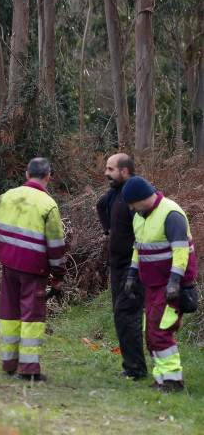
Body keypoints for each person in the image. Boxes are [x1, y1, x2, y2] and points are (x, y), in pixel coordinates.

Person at [0, 158, 66, 381]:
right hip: (34, 271)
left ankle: (8, 363)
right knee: (32, 317)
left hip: (9, 266)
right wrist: (58, 275)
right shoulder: (48, 205)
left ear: (27, 175)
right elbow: (56, 246)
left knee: (8, 315)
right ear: (48, 177)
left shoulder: (8, 196)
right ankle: (28, 371)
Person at [120, 176, 198, 393]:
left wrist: (174, 282)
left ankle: (173, 382)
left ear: (141, 198)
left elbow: (180, 251)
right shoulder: (140, 216)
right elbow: (139, 248)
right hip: (152, 285)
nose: (131, 208)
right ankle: (163, 379)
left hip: (170, 286)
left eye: (132, 203)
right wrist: (132, 275)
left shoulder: (171, 214)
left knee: (161, 331)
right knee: (151, 331)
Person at [95, 153, 147, 380]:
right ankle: (130, 367)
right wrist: (108, 229)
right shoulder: (114, 193)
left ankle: (136, 370)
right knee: (120, 315)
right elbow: (100, 205)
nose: (106, 173)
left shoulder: (139, 195)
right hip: (116, 267)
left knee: (128, 315)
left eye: (110, 169)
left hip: (134, 267)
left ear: (125, 171)